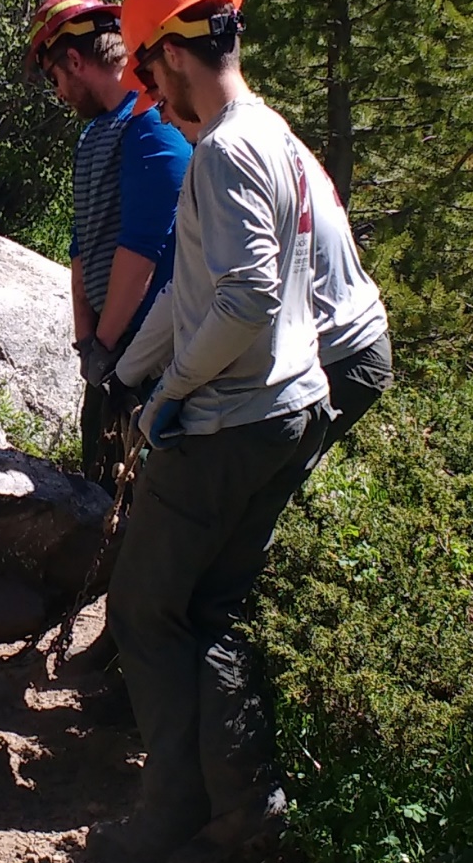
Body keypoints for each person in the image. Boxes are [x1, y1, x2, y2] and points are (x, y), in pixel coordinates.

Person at [95, 0, 330, 863]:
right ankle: (245, 806)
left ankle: (170, 809)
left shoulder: (228, 151)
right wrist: (132, 366)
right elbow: (196, 288)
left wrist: (167, 396)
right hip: (284, 409)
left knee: (143, 609)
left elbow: (241, 296)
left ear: (172, 54)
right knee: (211, 610)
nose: (145, 93)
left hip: (227, 419)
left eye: (146, 71)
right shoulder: (269, 134)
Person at [117, 125, 392, 608]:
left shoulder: (226, 158)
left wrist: (131, 376)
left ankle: (155, 638)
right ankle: (210, 634)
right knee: (243, 524)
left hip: (327, 355)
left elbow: (189, 293)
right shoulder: (275, 139)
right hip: (359, 344)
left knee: (202, 516)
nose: (165, 118)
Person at [24, 0, 191, 490]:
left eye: (55, 79)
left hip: (148, 363)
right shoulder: (97, 133)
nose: (58, 93)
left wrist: (108, 344)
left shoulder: (154, 126)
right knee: (94, 484)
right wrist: (86, 342)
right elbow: (83, 242)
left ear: (74, 59)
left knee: (133, 497)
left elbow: (143, 251)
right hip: (109, 356)